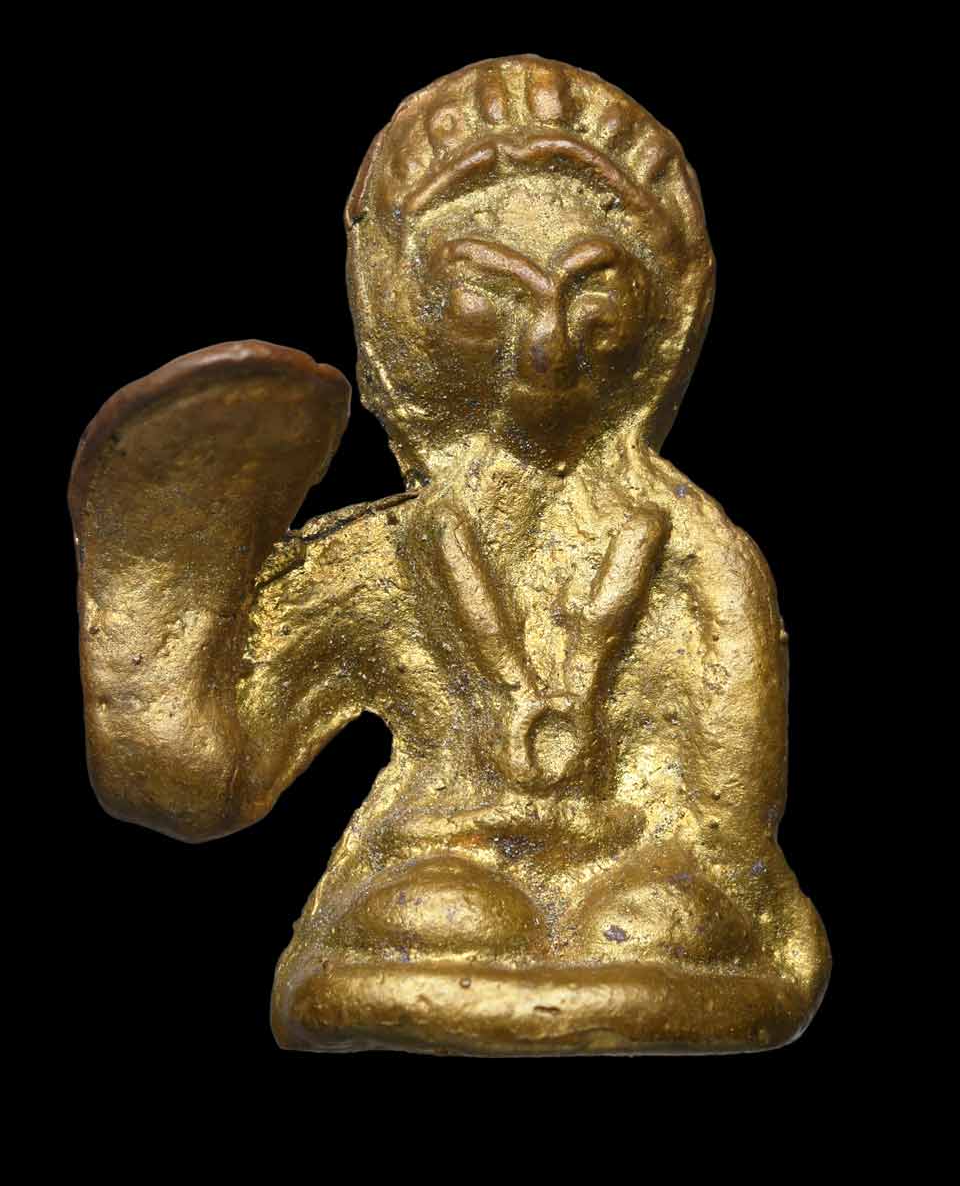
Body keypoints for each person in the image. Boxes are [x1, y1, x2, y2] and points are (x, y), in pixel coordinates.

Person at [71, 55, 829, 1054]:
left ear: (666, 310)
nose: (548, 347)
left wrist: (700, 873)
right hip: (439, 870)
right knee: (436, 910)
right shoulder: (389, 552)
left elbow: (728, 816)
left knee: (662, 917)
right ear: (404, 309)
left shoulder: (695, 554)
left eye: (593, 298)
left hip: (646, 881)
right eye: (487, 299)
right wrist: (172, 579)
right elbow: (208, 783)